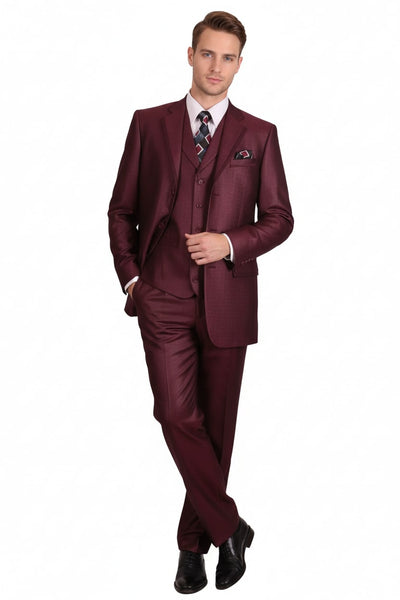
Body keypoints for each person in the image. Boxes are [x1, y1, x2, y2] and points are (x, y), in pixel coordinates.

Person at [108, 11, 293, 593]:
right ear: (190, 55)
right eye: (208, 54)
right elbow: (121, 210)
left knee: (217, 429)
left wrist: (230, 243)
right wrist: (132, 280)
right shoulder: (149, 123)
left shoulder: (259, 135)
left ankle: (195, 546)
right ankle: (230, 526)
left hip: (227, 300)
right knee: (175, 414)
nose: (216, 67)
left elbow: (280, 219)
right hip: (160, 294)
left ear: (240, 64)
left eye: (228, 58)